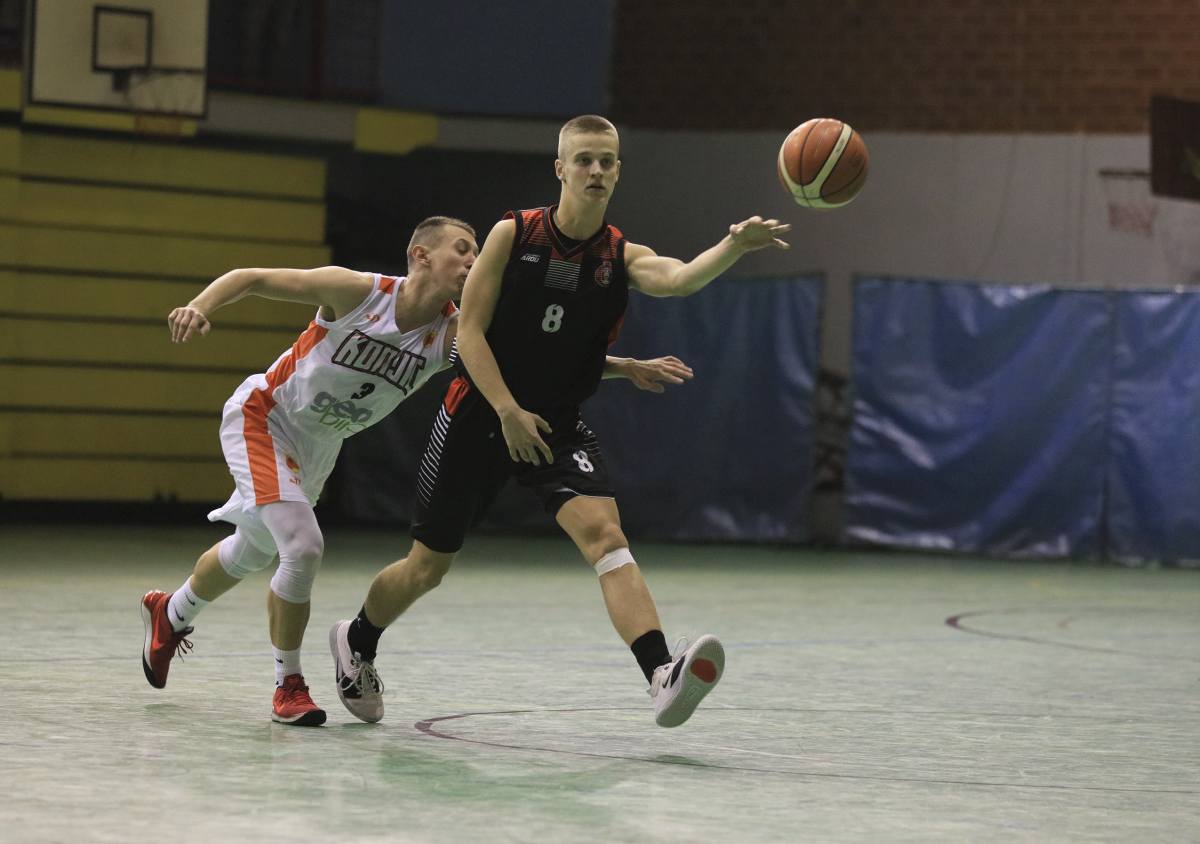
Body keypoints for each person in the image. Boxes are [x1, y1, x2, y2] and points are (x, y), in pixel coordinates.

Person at [139, 215, 692, 726]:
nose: (473, 260)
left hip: (320, 445)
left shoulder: (452, 333)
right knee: (302, 547)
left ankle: (172, 611)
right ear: (420, 255)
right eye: (462, 249)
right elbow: (252, 277)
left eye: (477, 251)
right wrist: (200, 306)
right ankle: (289, 684)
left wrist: (625, 366)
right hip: (265, 418)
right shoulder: (357, 292)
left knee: (255, 548)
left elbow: (522, 365)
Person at [329, 115, 790, 728]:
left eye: (607, 161)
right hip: (480, 413)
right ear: (561, 169)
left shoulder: (619, 255)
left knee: (606, 538)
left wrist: (733, 245)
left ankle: (660, 673)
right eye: (584, 160)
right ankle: (357, 639)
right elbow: (469, 334)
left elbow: (677, 280)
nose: (596, 170)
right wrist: (507, 410)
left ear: (618, 171)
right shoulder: (513, 235)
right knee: (427, 567)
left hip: (556, 424)